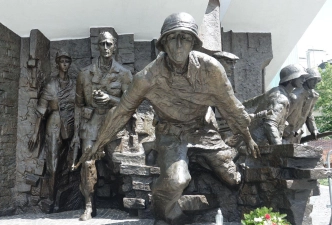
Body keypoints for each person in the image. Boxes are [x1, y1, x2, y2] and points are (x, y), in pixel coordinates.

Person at [76, 12, 259, 225]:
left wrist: (248, 137)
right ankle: (170, 214)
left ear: (193, 43)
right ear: (163, 43)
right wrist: (98, 144)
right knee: (176, 180)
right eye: (173, 37)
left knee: (232, 178)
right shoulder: (147, 77)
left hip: (204, 130)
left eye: (186, 37)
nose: (179, 44)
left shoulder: (211, 69)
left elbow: (232, 106)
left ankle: (206, 166)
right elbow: (121, 112)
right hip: (171, 133)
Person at [71, 31, 132, 221]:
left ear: (115, 46)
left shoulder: (124, 74)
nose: (105, 48)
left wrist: (111, 99)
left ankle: (123, 199)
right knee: (87, 162)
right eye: (102, 44)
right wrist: (75, 134)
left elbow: (130, 104)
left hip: (113, 124)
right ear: (97, 47)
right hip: (91, 124)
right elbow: (78, 105)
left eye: (108, 44)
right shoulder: (84, 74)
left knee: (116, 165)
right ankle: (89, 206)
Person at [28, 51, 75, 211]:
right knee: (53, 164)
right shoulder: (50, 85)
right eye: (62, 61)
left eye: (67, 61)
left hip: (70, 124)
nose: (64, 64)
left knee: (69, 163)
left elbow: (79, 106)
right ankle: (50, 198)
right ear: (57, 63)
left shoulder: (74, 85)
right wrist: (35, 133)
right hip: (54, 124)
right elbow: (41, 111)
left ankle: (66, 196)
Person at [245, 64, 309, 145]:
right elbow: (270, 124)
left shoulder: (275, 91)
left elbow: (252, 102)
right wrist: (279, 148)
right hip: (261, 143)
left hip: (257, 139)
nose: (303, 80)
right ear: (291, 78)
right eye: (301, 77)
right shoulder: (281, 98)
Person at [283, 67, 321, 143]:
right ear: (307, 79)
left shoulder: (314, 96)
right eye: (313, 79)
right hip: (284, 133)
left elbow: (309, 115)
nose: (315, 82)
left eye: (317, 80)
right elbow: (283, 116)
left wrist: (313, 129)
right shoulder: (294, 95)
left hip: (296, 133)